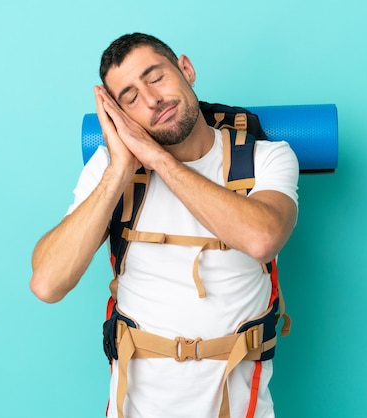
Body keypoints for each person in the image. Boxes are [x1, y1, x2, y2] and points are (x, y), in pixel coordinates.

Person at [30, 32, 299, 418]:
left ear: (186, 69)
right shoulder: (110, 169)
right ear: (120, 116)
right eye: (130, 98)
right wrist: (120, 169)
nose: (153, 100)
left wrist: (158, 159)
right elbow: (46, 283)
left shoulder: (266, 158)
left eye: (155, 77)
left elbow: (263, 238)